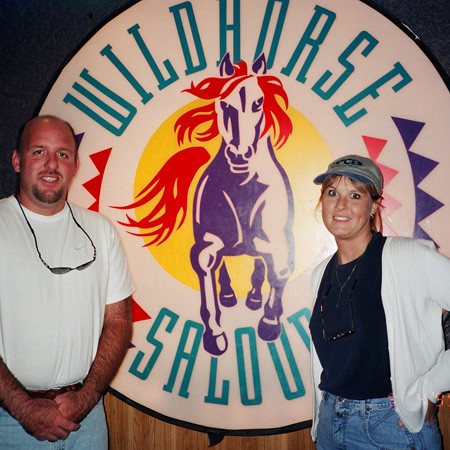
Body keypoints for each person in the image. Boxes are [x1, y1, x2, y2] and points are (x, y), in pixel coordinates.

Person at [0, 115, 134, 448]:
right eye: (38, 152)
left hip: (86, 421)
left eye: (62, 154)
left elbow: (118, 321)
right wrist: (24, 407)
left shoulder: (101, 231)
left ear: (75, 165)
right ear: (17, 160)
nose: (51, 164)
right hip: (10, 421)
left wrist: (86, 397)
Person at [309, 154, 450, 449]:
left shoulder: (409, 257)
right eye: (332, 192)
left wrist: (431, 387)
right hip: (330, 424)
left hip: (391, 428)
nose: (341, 204)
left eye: (355, 194)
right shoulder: (321, 274)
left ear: (374, 205)